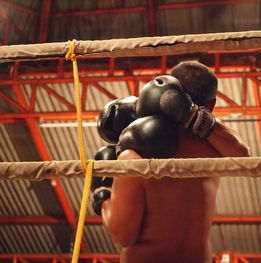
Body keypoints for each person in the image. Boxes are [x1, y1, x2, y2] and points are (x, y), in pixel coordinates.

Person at [98, 61, 250, 263]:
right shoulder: (215, 147)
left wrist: (102, 197)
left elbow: (123, 235)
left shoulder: (135, 156)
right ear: (211, 105)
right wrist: (196, 117)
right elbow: (246, 160)